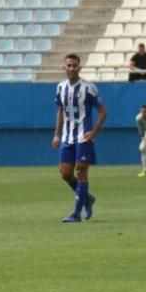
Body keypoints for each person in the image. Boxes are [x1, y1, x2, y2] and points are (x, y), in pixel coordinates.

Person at [53, 53, 105, 223]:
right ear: (64, 67)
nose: (72, 68)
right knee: (65, 173)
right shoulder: (61, 87)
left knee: (81, 170)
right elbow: (60, 111)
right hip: (68, 136)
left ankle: (76, 213)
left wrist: (94, 133)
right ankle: (87, 198)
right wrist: (57, 134)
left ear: (79, 68)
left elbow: (103, 112)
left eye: (75, 65)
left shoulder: (88, 87)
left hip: (84, 136)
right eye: (69, 65)